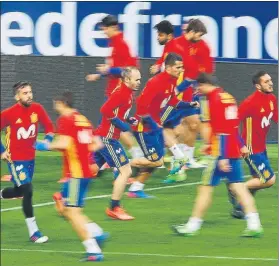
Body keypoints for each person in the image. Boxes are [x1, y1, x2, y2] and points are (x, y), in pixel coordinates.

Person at [172, 73, 263, 237]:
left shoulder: (213, 100)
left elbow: (222, 131)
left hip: (221, 153)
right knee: (239, 188)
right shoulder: (228, 97)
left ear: (205, 84)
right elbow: (233, 127)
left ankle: (192, 226)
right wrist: (240, 145)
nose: (197, 90)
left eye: (198, 87)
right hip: (232, 150)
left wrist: (222, 157)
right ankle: (254, 224)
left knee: (205, 189)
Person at [35, 91, 106, 262]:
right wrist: (81, 152)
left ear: (61, 103)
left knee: (72, 212)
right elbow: (97, 144)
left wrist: (41, 145)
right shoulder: (83, 119)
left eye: (55, 103)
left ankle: (93, 250)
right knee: (64, 209)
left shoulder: (65, 120)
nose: (54, 107)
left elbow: (64, 143)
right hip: (84, 173)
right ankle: (97, 233)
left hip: (75, 174)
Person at [128, 53, 197, 198]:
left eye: (182, 67)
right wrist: (154, 125)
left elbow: (173, 102)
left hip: (154, 127)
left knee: (156, 160)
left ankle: (135, 188)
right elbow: (141, 107)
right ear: (168, 67)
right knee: (156, 160)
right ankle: (122, 164)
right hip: (144, 128)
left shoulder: (172, 82)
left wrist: (188, 104)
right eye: (178, 67)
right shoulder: (156, 82)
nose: (181, 70)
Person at [0, 81, 54, 243]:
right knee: (28, 191)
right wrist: (2, 151)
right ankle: (34, 232)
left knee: (19, 191)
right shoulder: (8, 113)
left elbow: (49, 126)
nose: (29, 95)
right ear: (17, 96)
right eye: (25, 93)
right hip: (15, 159)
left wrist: (48, 140)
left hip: (30, 158)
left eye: (30, 92)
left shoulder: (37, 108)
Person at [85, 15, 141, 160]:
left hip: (118, 94)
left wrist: (108, 70)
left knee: (108, 128)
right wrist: (99, 74)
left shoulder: (122, 45)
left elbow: (129, 70)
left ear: (113, 27)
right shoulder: (115, 43)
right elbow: (115, 69)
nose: (104, 32)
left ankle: (96, 161)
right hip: (114, 92)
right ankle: (98, 160)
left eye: (104, 29)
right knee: (109, 128)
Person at [93, 66, 141, 220]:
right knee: (125, 171)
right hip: (108, 138)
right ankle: (115, 207)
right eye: (136, 79)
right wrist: (121, 124)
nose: (139, 82)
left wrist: (128, 119)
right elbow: (105, 109)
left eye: (140, 79)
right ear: (127, 80)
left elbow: (117, 112)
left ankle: (62, 195)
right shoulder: (122, 93)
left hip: (105, 137)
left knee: (90, 170)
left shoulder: (128, 93)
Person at [228, 71, 277, 219]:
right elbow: (232, 126)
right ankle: (235, 188)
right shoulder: (249, 103)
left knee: (257, 180)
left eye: (270, 80)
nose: (270, 83)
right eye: (266, 81)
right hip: (250, 149)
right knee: (268, 180)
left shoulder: (272, 99)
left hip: (262, 148)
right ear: (258, 86)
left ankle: (240, 209)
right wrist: (241, 145)